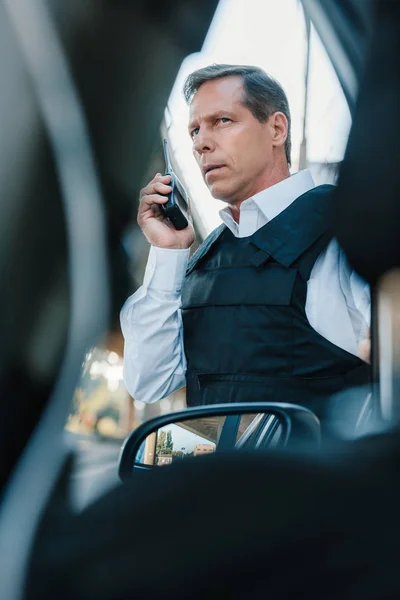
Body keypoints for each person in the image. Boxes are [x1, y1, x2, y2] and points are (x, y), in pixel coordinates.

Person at [120, 64, 371, 419]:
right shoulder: (201, 262)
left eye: (222, 121)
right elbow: (148, 382)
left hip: (321, 474)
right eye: (194, 129)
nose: (201, 142)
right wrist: (169, 251)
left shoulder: (343, 229)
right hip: (220, 474)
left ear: (277, 129)